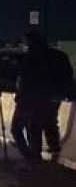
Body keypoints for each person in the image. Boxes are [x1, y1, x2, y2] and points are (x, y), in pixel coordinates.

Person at [11, 32, 54, 166]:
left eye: (24, 42)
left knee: (16, 129)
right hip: (44, 100)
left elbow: (15, 72)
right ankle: (36, 158)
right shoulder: (50, 57)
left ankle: (30, 157)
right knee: (35, 129)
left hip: (27, 100)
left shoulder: (29, 59)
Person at [42, 35, 74, 160]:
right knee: (51, 121)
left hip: (41, 94)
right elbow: (68, 75)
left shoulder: (39, 57)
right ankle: (54, 148)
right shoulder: (60, 56)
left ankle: (35, 152)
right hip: (55, 94)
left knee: (36, 122)